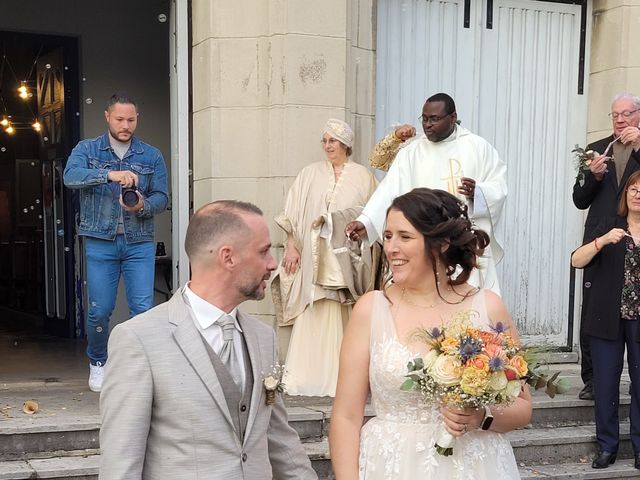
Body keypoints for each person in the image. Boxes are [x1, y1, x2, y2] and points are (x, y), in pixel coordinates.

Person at [99, 200, 318, 480]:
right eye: (264, 252)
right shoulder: (139, 339)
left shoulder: (264, 338)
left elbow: (281, 442)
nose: (273, 264)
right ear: (228, 257)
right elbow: (121, 464)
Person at [330, 188, 532, 479]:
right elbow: (346, 416)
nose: (391, 248)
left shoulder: (487, 307)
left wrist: (480, 416)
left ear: (440, 244)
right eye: (388, 236)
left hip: (474, 466)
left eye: (405, 236)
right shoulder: (371, 309)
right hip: (392, 465)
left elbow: (523, 407)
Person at [345, 93, 507, 295]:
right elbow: (389, 190)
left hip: (462, 239)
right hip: (424, 240)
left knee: (465, 300)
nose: (427, 125)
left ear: (453, 117)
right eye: (424, 118)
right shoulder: (411, 152)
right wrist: (366, 221)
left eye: (434, 119)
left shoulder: (478, 148)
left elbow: (498, 187)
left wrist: (479, 193)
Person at [63, 93, 168, 392]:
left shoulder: (151, 155)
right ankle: (98, 361)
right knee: (99, 309)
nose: (125, 125)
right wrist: (110, 174)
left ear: (137, 119)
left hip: (139, 242)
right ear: (107, 116)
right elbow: (70, 177)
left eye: (131, 119)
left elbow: (163, 198)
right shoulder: (87, 149)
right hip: (100, 240)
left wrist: (142, 206)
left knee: (143, 308)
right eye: (119, 119)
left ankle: (139, 366)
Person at [271, 118, 378, 397]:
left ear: (346, 144)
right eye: (325, 140)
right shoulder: (309, 173)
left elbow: (373, 217)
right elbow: (293, 211)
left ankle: (341, 379)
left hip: (344, 258)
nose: (328, 146)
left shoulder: (363, 177)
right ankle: (307, 377)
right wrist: (292, 246)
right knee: (314, 307)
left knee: (343, 313)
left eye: (333, 141)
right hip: (312, 256)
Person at [572, 93, 640, 400]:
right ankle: (592, 379)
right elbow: (579, 199)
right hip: (601, 234)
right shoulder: (596, 149)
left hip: (635, 233)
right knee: (593, 306)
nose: (620, 119)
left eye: (627, 113)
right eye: (615, 115)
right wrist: (593, 176)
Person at [571, 171, 640, 470]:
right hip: (605, 319)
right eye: (633, 188)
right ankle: (607, 447)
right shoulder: (610, 225)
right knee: (606, 385)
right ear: (624, 194)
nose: (637, 193)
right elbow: (576, 260)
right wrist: (601, 241)